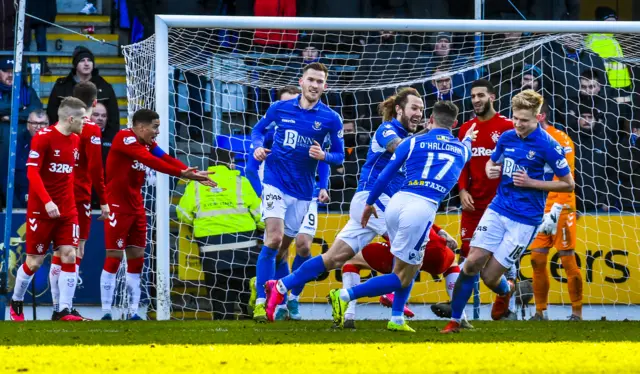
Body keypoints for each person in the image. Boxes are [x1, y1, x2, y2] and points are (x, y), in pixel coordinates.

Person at [264, 87, 422, 322]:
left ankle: (279, 287)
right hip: (374, 201)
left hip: (372, 203)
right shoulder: (388, 129)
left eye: (421, 109)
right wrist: (432, 138)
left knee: (333, 259)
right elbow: (399, 149)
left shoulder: (410, 137)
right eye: (414, 108)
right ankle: (395, 311)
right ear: (399, 109)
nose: (418, 113)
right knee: (413, 256)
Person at [330, 101, 475, 332]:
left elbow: (385, 174)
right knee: (402, 276)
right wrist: (468, 137)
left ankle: (397, 318)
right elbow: (467, 146)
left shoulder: (412, 141)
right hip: (421, 209)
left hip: (395, 203)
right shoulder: (461, 149)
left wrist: (369, 203)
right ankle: (345, 294)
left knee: (409, 267)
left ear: (430, 121)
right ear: (455, 124)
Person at [442, 90, 575, 334]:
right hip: (498, 207)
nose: (518, 124)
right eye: (515, 118)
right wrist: (493, 168)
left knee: (490, 278)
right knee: (471, 263)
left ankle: (509, 289)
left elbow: (568, 184)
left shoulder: (549, 145)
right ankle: (455, 321)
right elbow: (495, 161)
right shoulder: (506, 137)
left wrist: (532, 183)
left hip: (525, 220)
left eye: (524, 120)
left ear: (537, 117)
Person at [99, 109, 216, 321]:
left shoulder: (147, 143)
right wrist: (181, 174)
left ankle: (134, 311)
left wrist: (191, 173)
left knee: (137, 258)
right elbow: (152, 161)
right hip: (117, 206)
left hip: (136, 206)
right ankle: (106, 311)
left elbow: (164, 157)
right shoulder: (124, 138)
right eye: (155, 127)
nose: (157, 132)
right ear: (141, 126)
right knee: (114, 257)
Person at [250, 62, 344, 322]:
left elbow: (338, 157)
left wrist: (323, 155)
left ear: (325, 86)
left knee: (290, 249)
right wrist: (257, 147)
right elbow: (258, 131)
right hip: (275, 181)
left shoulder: (330, 118)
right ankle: (261, 301)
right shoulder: (279, 109)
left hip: (303, 192)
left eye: (320, 81)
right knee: (274, 239)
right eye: (311, 80)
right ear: (301, 81)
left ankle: (287, 296)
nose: (314, 85)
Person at [9, 97, 88, 322]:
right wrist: (47, 201)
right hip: (42, 210)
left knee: (70, 254)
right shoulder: (43, 139)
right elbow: (32, 173)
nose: (86, 121)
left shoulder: (75, 140)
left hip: (67, 209)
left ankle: (64, 309)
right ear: (71, 118)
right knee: (34, 262)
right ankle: (16, 300)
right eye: (82, 117)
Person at [177, 148, 263, 320]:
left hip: (212, 251)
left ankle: (223, 323)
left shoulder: (195, 184)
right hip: (245, 249)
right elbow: (260, 216)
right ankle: (252, 320)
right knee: (247, 295)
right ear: (230, 163)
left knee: (221, 300)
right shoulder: (241, 182)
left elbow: (183, 214)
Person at [49, 81, 109, 321]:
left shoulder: (60, 125)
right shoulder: (91, 129)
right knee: (76, 248)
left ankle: (58, 308)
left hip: (58, 193)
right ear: (94, 103)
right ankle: (65, 307)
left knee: (60, 250)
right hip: (79, 195)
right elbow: (95, 169)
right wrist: (103, 201)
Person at [341, 225, 473, 330]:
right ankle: (460, 316)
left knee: (352, 261)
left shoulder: (384, 200)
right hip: (436, 251)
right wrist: (442, 232)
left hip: (408, 252)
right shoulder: (419, 198)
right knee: (452, 263)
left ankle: (348, 314)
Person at [528, 101, 582, 321]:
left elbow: (566, 178)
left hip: (561, 206)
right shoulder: (526, 140)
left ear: (540, 117)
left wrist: (557, 207)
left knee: (567, 258)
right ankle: (541, 311)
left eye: (527, 116)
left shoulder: (561, 139)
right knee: (537, 259)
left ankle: (576, 313)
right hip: (539, 207)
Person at [46, 46, 120, 143]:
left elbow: (113, 119)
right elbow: (52, 115)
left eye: (89, 60)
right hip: (66, 139)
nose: (86, 64)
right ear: (75, 65)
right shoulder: (62, 86)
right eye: (82, 61)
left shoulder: (105, 86)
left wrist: (106, 142)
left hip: (96, 140)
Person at [0, 58, 43, 207]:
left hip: (22, 146)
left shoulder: (27, 91)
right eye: (6, 71)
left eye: (14, 72)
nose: (10, 75)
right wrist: (20, 111)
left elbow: (36, 111)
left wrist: (8, 116)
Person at [14, 110, 49, 208]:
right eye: (34, 123)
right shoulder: (16, 143)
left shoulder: (56, 142)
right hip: (22, 198)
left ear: (48, 125)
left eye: (42, 123)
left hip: (49, 198)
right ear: (27, 125)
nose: (38, 127)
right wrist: (15, 206)